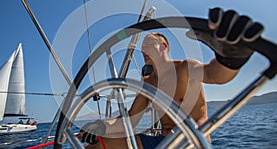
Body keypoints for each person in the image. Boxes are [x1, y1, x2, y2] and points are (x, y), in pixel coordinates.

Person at [77, 8, 264, 149]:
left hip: (190, 141)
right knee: (97, 145)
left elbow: (214, 75)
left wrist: (230, 59)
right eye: (142, 49)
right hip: (160, 141)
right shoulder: (148, 83)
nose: (144, 51)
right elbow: (130, 121)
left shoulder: (185, 68)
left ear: (163, 45)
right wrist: (100, 126)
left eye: (149, 45)